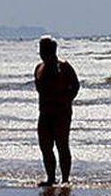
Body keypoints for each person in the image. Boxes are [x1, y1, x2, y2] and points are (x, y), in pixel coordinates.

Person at [34, 36, 81, 186]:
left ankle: (65, 178)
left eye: (44, 49)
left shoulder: (64, 66)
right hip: (44, 112)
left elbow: (75, 85)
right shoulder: (39, 68)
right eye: (41, 49)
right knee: (45, 146)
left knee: (62, 145)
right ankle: (50, 178)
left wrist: (67, 100)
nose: (41, 53)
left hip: (61, 112)